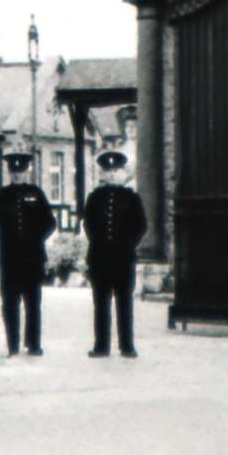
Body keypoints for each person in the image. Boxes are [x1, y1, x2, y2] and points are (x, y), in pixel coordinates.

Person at [0, 151, 55, 356]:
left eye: (21, 171)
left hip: (33, 258)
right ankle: (12, 345)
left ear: (27, 171)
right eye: (13, 171)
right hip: (9, 258)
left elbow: (50, 222)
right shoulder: (0, 196)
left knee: (33, 303)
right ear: (9, 172)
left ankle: (33, 345)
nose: (17, 175)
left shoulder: (37, 193)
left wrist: (37, 238)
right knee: (10, 304)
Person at [82, 149, 147, 358]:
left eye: (115, 171)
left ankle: (127, 345)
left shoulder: (132, 198)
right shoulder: (94, 198)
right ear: (102, 173)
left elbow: (141, 225)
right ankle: (101, 346)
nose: (111, 175)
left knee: (124, 302)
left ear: (122, 173)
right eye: (107, 171)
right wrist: (98, 244)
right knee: (101, 303)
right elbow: (88, 224)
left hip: (123, 258)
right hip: (99, 258)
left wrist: (128, 244)